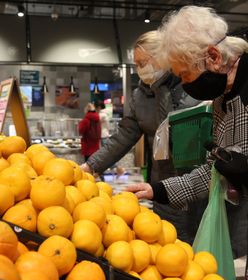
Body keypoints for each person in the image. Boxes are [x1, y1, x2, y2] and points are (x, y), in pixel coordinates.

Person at [127, 6, 248, 260]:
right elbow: (212, 171)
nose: (184, 84)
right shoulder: (222, 102)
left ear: (214, 57)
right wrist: (156, 190)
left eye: (185, 74)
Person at [81, 30, 198, 242]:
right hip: (159, 183)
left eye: (143, 62)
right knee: (166, 242)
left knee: (195, 244)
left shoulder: (190, 86)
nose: (139, 70)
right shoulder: (140, 95)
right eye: (136, 64)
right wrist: (91, 166)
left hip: (195, 183)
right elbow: (124, 136)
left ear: (164, 57)